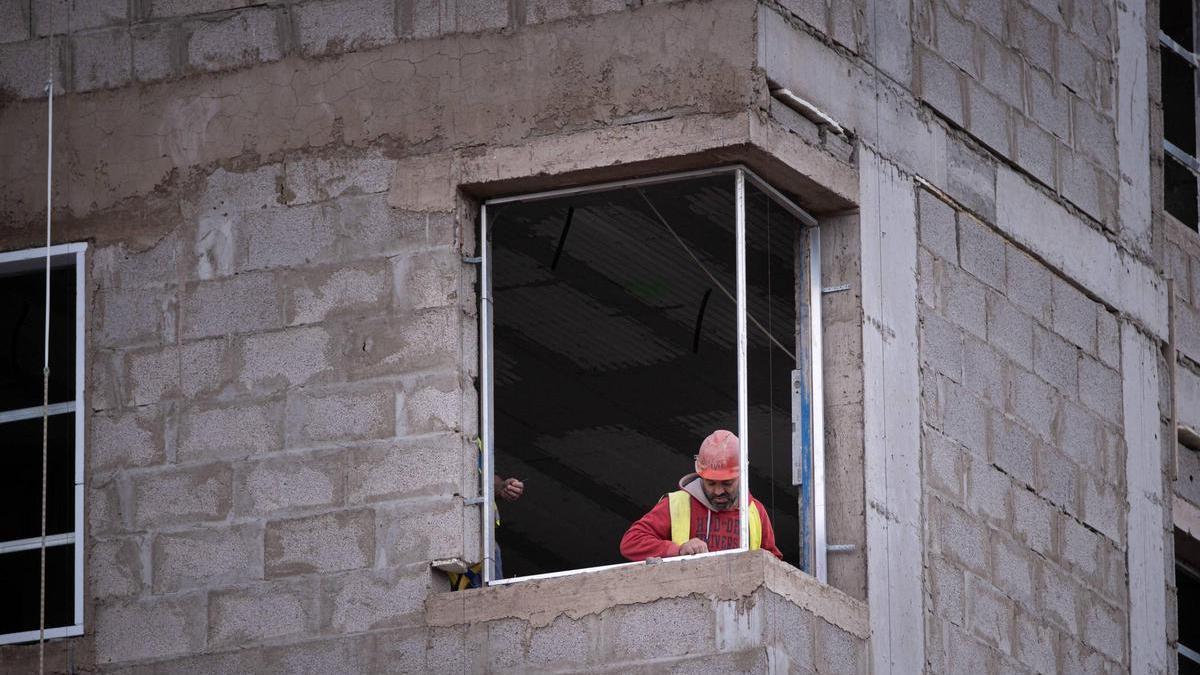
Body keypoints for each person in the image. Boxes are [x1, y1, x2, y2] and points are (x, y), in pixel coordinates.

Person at [620, 429, 782, 560]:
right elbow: (631, 542)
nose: (718, 491)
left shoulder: (755, 511)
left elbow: (773, 563)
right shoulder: (677, 504)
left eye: (727, 483)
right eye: (710, 483)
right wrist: (679, 550)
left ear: (742, 475)